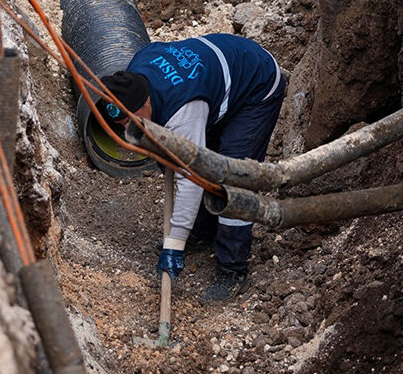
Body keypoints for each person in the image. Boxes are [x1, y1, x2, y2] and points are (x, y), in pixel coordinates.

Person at [95, 34, 286, 303]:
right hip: (216, 80)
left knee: (234, 178)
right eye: (120, 124)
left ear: (147, 102)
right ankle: (205, 231)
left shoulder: (184, 112)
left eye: (131, 120)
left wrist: (175, 243)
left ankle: (233, 268)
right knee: (192, 160)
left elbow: (190, 179)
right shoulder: (136, 71)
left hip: (256, 84)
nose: (126, 130)